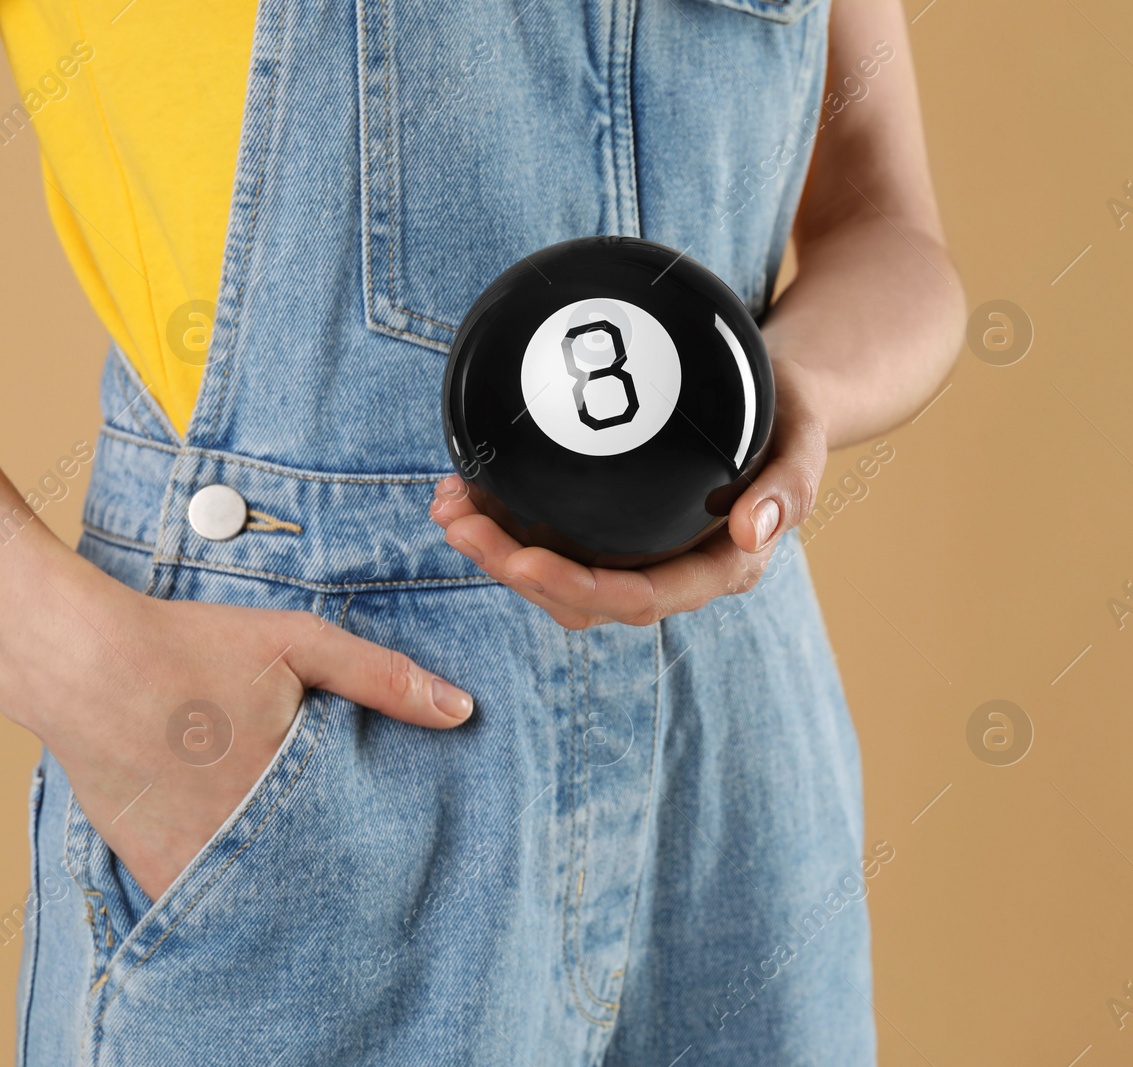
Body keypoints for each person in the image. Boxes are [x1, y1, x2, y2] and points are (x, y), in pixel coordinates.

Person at [2, 0, 961, 1062]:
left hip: (739, 768)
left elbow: (883, 224)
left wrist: (790, 397)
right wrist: (88, 673)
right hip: (308, 751)